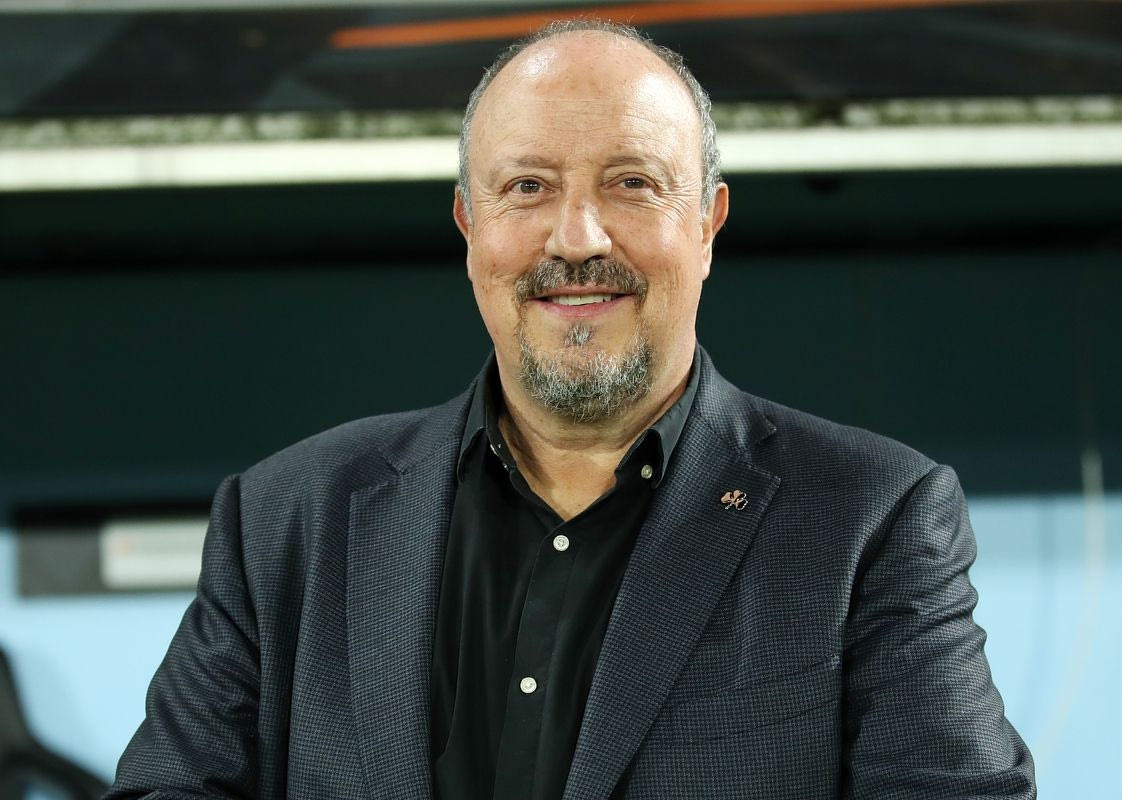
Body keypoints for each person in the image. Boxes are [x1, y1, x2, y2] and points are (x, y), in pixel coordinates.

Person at [107, 20, 1035, 800]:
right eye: (528, 187)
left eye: (632, 183)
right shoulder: (285, 518)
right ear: (470, 228)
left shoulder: (871, 518)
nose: (579, 238)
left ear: (707, 226)